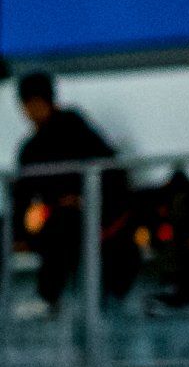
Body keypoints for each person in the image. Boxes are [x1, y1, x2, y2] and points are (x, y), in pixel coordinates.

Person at [9, 71, 129, 306]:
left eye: (35, 103)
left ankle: (48, 297)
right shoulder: (30, 149)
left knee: (62, 228)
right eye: (27, 105)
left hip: (94, 215)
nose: (31, 111)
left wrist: (83, 199)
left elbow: (111, 172)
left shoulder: (74, 128)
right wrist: (19, 233)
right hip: (58, 219)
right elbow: (21, 196)